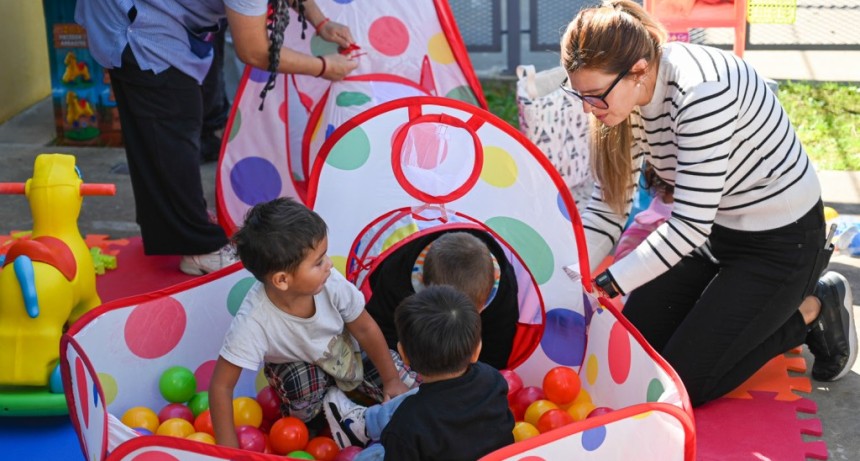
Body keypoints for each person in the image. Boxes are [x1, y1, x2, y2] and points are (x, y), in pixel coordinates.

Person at [562, 0, 857, 406]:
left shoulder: (701, 92)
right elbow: (606, 210)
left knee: (684, 384)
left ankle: (813, 308)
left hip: (780, 242)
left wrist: (607, 284)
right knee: (636, 353)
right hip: (713, 230)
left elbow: (687, 226)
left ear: (638, 71)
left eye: (595, 96)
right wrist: (568, 275)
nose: (587, 108)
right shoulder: (619, 102)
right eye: (579, 94)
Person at [75, 0, 359, 275]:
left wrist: (320, 21)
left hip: (165, 18)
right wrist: (323, 66)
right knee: (169, 123)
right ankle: (198, 248)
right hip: (137, 24)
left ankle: (171, 222)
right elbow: (255, 50)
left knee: (165, 127)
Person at [208, 197, 413, 448]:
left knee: (409, 389)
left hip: (346, 353)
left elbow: (364, 328)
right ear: (282, 280)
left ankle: (352, 400)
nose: (329, 265)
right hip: (301, 371)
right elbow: (221, 386)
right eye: (318, 262)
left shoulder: (330, 282)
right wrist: (228, 449)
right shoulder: (254, 321)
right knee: (301, 388)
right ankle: (325, 419)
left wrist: (391, 379)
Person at [323, 285, 515, 460]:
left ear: (404, 355)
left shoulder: (406, 425)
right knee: (419, 396)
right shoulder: (493, 380)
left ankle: (365, 426)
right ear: (477, 350)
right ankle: (365, 425)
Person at [365, 230, 519, 370]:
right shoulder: (396, 273)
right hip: (409, 351)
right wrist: (404, 371)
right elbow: (379, 329)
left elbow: (496, 352)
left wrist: (469, 380)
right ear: (423, 284)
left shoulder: (503, 292)